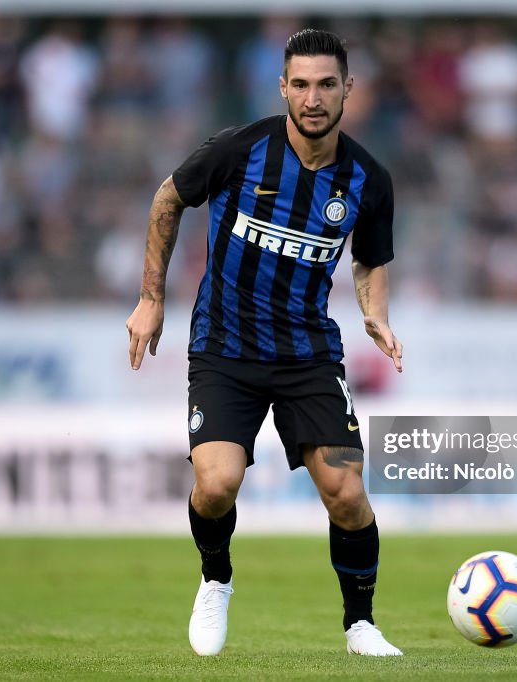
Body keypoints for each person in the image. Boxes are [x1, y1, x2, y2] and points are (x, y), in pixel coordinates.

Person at [126, 29, 403, 656]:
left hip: (308, 353)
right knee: (217, 483)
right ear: (282, 88)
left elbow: (370, 259)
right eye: (300, 84)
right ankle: (215, 579)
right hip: (225, 348)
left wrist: (375, 317)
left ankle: (360, 623)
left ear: (347, 91)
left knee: (347, 492)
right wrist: (151, 296)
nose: (313, 98)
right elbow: (168, 199)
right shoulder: (239, 149)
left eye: (326, 85)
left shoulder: (367, 178)